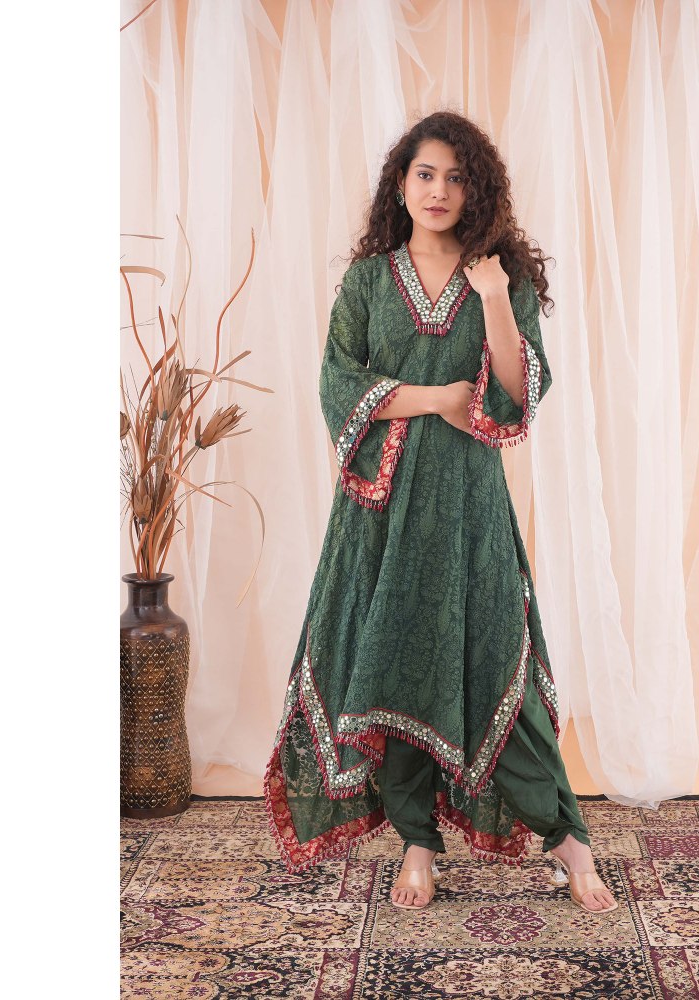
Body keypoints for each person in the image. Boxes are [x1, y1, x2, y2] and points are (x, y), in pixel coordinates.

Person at [264, 110, 617, 915]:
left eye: (456, 178)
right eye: (425, 174)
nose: (439, 190)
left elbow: (518, 394)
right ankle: (417, 843)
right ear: (400, 183)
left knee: (497, 671)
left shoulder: (500, 277)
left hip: (467, 508)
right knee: (391, 667)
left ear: (476, 190)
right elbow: (337, 383)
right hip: (381, 512)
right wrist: (438, 398)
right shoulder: (367, 281)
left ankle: (569, 841)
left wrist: (493, 299)